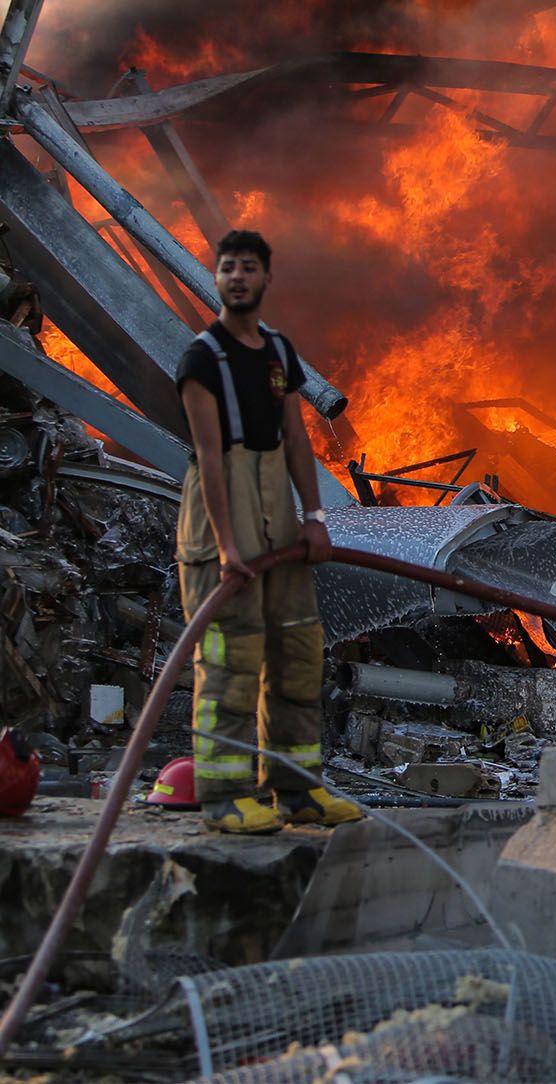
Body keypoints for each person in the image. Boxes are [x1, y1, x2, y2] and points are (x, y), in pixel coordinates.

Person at [176, 230, 358, 834]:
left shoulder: (279, 352)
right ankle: (226, 797)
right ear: (217, 278)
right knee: (231, 657)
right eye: (227, 267)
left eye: (248, 267)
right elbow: (209, 455)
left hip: (279, 501)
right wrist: (228, 546)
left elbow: (297, 438)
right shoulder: (202, 359)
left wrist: (315, 518)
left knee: (298, 649)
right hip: (223, 501)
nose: (237, 277)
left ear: (265, 278)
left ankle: (298, 789)